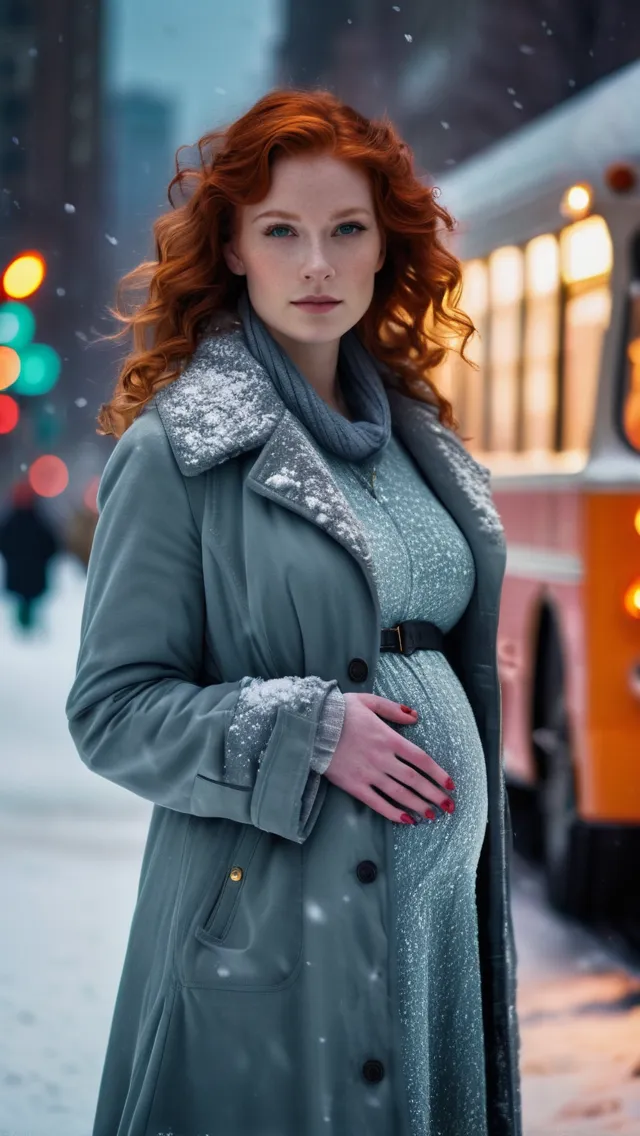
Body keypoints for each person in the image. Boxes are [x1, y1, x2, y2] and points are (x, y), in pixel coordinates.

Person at [65, 89, 521, 1136]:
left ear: (381, 247)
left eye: (345, 229)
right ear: (231, 248)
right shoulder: (179, 450)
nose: (316, 263)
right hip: (277, 936)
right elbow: (112, 710)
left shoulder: (419, 441)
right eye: (282, 230)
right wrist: (304, 729)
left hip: (434, 938)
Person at [0, 480, 60, 632]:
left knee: (23, 600)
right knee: (30, 600)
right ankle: (27, 625)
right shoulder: (39, 520)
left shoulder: (11, 522)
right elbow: (52, 544)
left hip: (19, 572)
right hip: (34, 573)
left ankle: (24, 625)